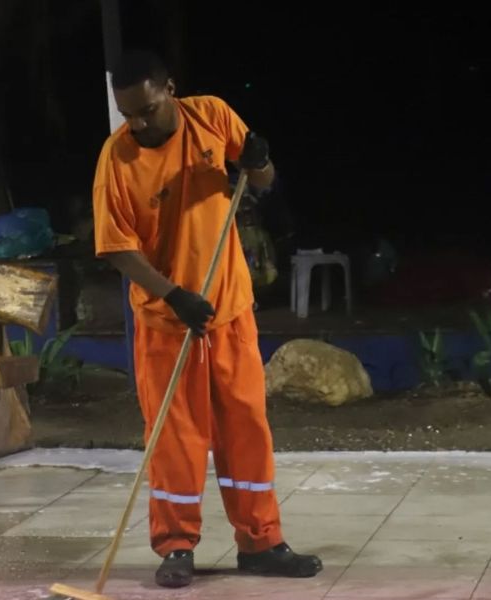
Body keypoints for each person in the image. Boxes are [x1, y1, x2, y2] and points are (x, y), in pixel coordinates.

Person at [92, 50, 323, 589]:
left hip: (229, 310)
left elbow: (261, 180)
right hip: (166, 323)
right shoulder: (116, 160)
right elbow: (118, 249)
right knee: (175, 439)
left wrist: (260, 160)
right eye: (129, 115)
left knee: (246, 429)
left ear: (170, 89)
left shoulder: (212, 116)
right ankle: (176, 547)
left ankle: (261, 542)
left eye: (147, 110)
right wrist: (174, 296)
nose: (139, 124)